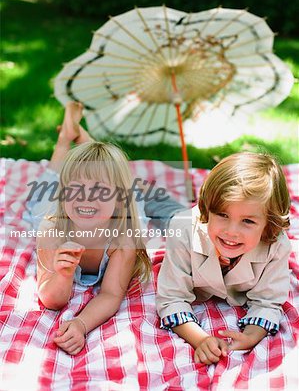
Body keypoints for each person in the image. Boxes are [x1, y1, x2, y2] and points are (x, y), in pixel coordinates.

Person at [32, 102, 154, 355]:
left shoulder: (124, 239)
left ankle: (84, 140)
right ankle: (66, 139)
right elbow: (51, 299)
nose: (86, 197)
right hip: (58, 210)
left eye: (100, 190)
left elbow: (110, 295)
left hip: (121, 217)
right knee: (42, 190)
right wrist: (63, 274)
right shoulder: (52, 230)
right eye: (75, 188)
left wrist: (80, 323)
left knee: (135, 199)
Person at [156, 152, 291, 365]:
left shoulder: (276, 245)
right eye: (223, 215)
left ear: (269, 224)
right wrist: (200, 339)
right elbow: (171, 298)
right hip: (180, 221)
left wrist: (251, 335)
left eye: (247, 221)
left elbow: (268, 301)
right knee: (162, 212)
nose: (231, 232)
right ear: (207, 210)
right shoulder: (183, 228)